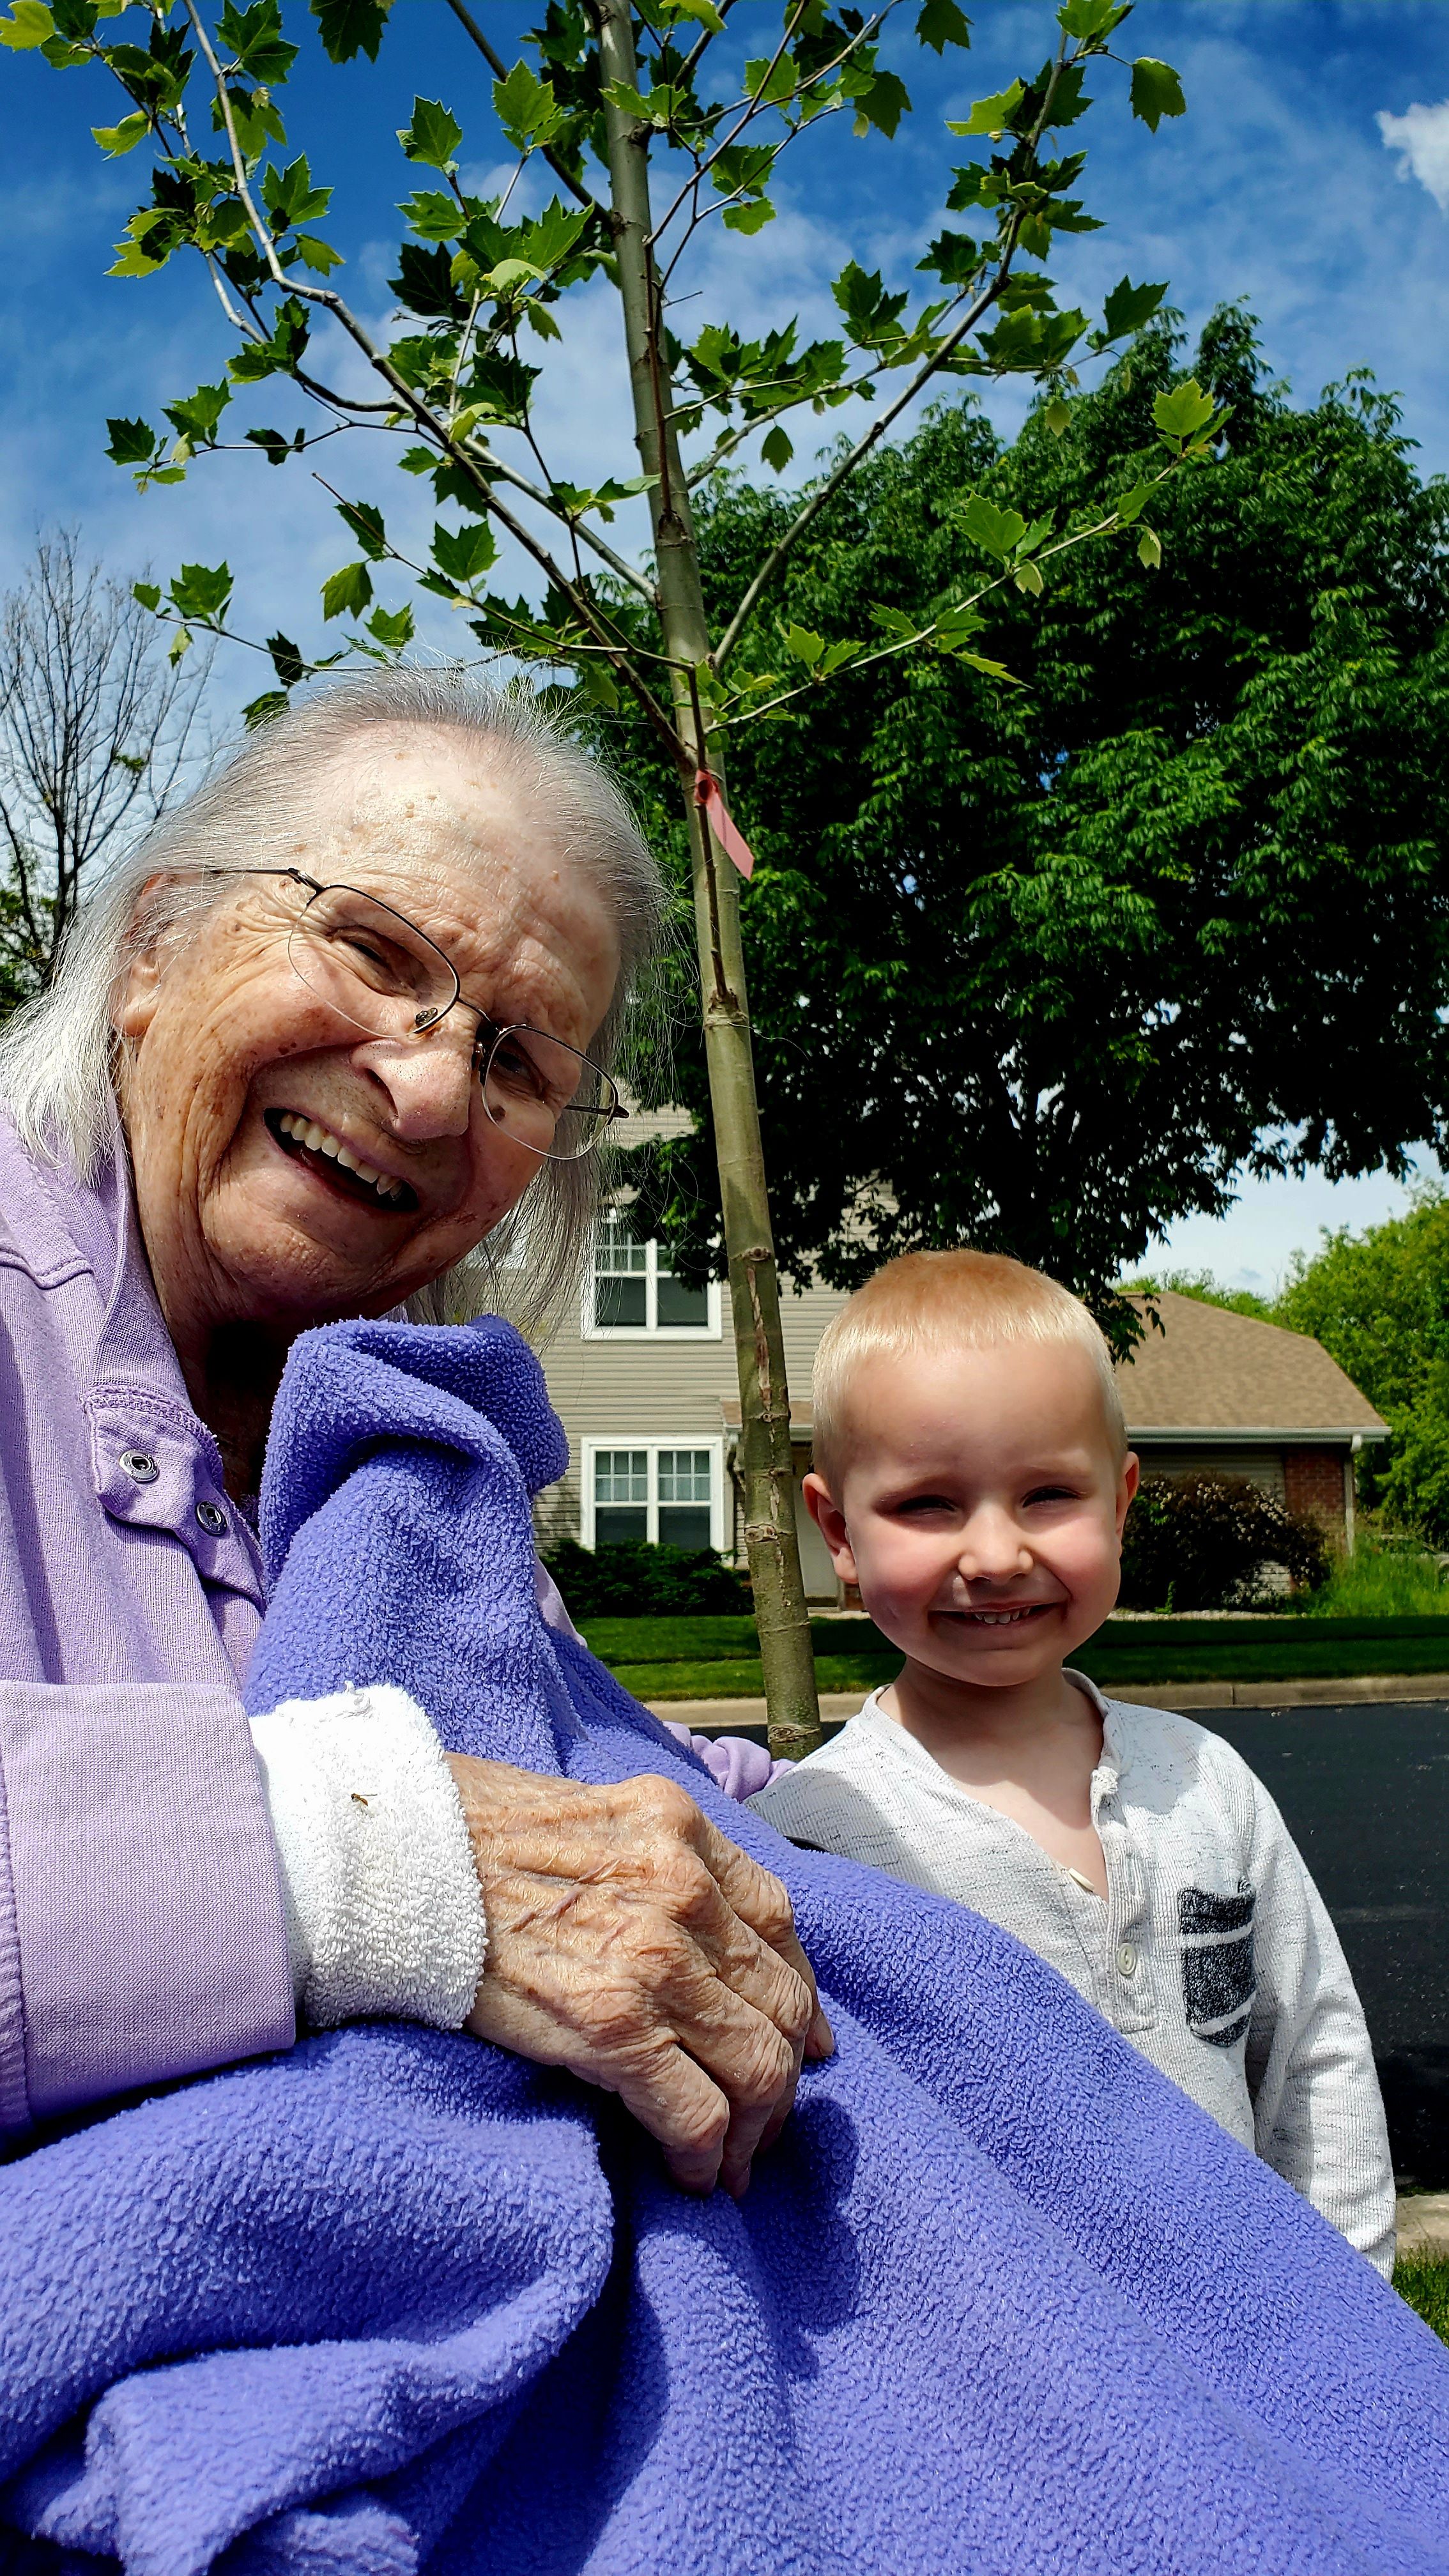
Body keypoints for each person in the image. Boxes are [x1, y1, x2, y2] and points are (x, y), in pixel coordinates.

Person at [0, 668, 827, 2198]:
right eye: (373, 948)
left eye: (520, 1060)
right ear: (151, 945)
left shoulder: (417, 1439)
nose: (435, 1086)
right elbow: (471, 1840)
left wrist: (902, 1806)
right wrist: (371, 1862)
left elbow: (582, 1778)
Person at [750, 1248, 1397, 2274]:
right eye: (929, 1505)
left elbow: (1315, 2057)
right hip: (998, 2353)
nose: (996, 1555)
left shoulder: (1209, 1782)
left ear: (1121, 1503)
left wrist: (1354, 2310)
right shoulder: (811, 1839)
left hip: (1256, 2334)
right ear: (837, 1529)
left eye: (1048, 1494)